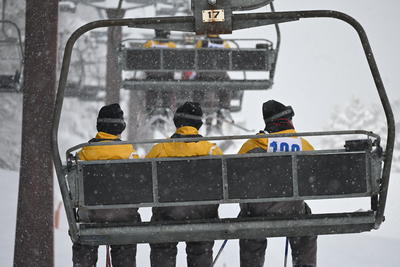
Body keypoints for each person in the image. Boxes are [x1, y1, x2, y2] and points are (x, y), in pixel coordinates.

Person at [238, 100, 317, 267]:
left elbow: (236, 179)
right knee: (306, 219)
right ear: (287, 122)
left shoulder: (251, 146)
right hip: (293, 211)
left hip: (256, 214)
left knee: (248, 224)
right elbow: (316, 175)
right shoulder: (303, 145)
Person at [146, 101, 223, 267]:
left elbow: (143, 180)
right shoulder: (212, 150)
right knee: (200, 246)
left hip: (166, 216)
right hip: (202, 219)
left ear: (177, 123)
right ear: (199, 124)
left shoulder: (160, 150)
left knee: (163, 247)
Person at [73, 103, 140, 267]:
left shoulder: (83, 154)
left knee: (85, 238)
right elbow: (139, 187)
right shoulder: (130, 154)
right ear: (120, 128)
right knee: (126, 237)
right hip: (124, 217)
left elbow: (74, 191)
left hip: (91, 217)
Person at [144, 29, 177, 115]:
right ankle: (167, 107)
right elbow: (175, 63)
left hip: (151, 76)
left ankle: (150, 108)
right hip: (167, 76)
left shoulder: (149, 44)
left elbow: (143, 60)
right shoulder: (172, 45)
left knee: (151, 90)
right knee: (167, 90)